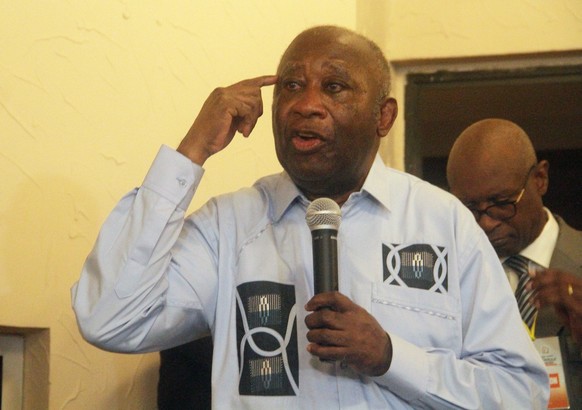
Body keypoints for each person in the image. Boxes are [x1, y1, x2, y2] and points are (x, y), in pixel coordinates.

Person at [72, 26, 549, 408]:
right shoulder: (228, 227)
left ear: (384, 117)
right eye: (292, 86)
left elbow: (520, 393)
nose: (305, 104)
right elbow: (109, 319)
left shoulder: (443, 224)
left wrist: (389, 356)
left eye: (334, 86)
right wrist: (190, 153)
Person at [446, 118, 582, 408]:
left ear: (540, 179)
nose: (485, 222)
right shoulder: (449, 278)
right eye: (469, 208)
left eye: (501, 202)